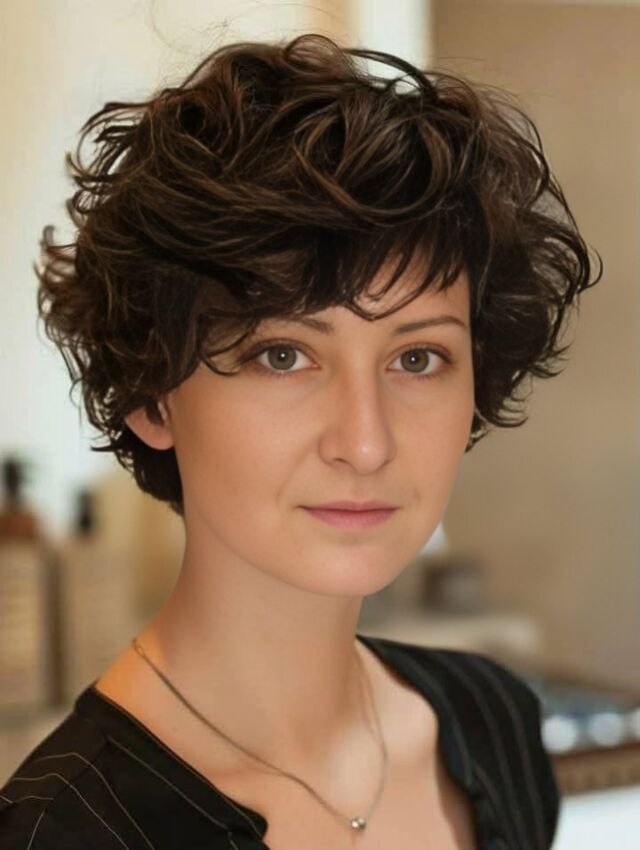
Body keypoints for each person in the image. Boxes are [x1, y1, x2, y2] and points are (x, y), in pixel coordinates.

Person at [0, 31, 600, 850]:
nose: (366, 443)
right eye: (282, 355)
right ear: (151, 392)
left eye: (417, 358)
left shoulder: (494, 725)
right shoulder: (62, 832)